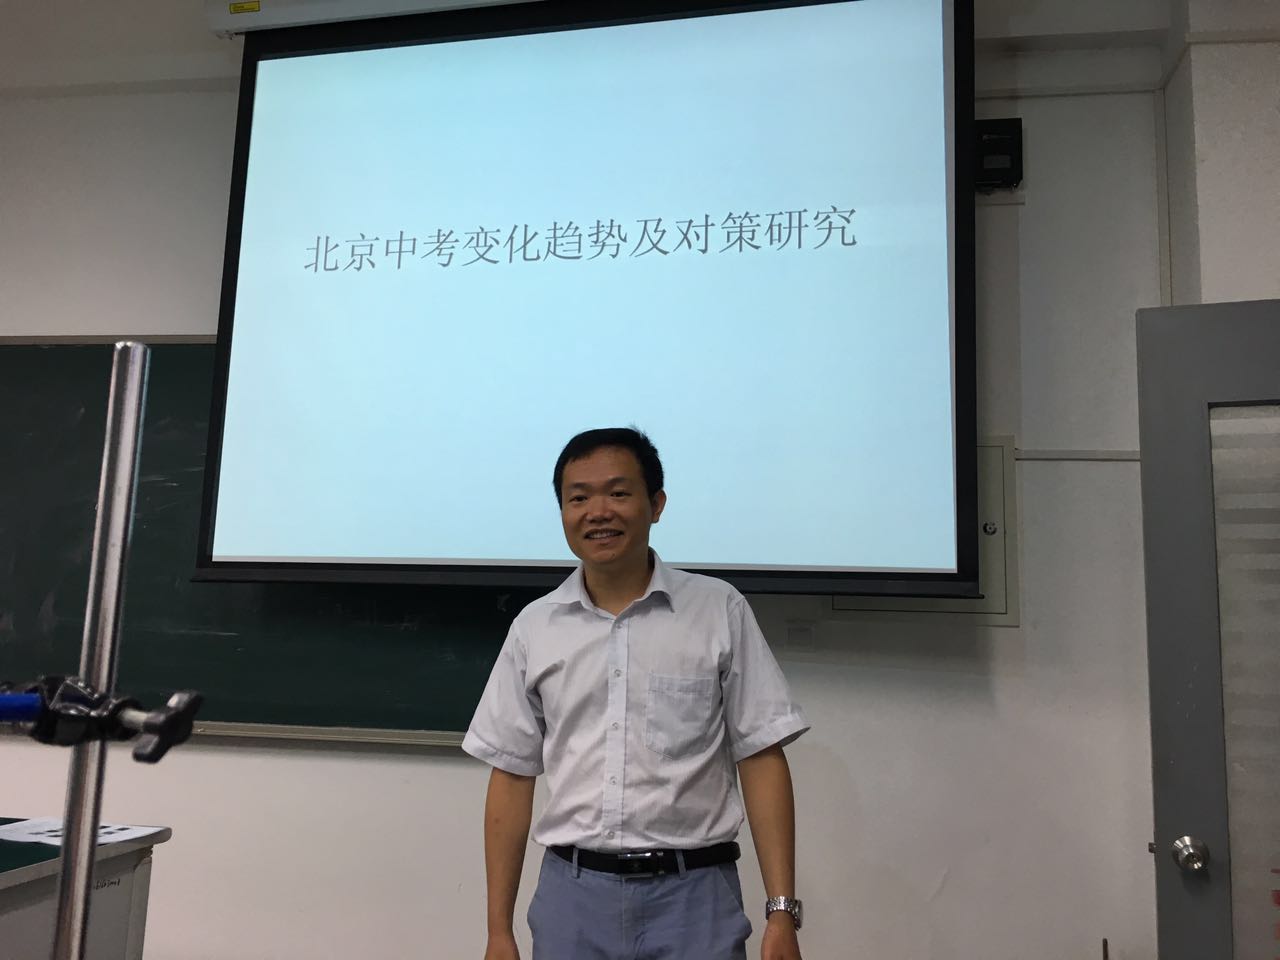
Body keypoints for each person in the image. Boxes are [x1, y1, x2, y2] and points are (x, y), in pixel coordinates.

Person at [463, 427, 809, 960]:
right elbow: (511, 775)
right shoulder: (535, 627)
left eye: (619, 493)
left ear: (657, 504)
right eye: (578, 498)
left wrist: (781, 911)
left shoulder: (718, 609)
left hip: (696, 896)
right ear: (562, 512)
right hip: (572, 900)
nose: (598, 512)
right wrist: (497, 932)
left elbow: (761, 756)